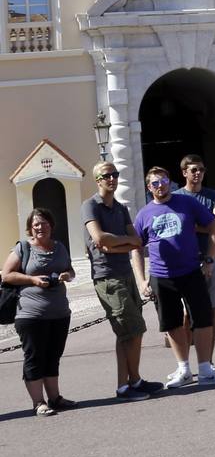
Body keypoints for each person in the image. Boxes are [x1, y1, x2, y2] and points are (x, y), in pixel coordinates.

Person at [132, 167, 215, 387]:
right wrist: (141, 280)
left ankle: (205, 369)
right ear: (149, 188)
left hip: (191, 270)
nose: (161, 186)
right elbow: (136, 247)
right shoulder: (144, 214)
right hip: (161, 275)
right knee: (172, 323)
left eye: (164, 180)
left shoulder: (187, 203)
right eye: (155, 183)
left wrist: (209, 258)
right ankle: (184, 369)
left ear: (170, 182)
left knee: (203, 318)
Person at [82, 161, 161, 401]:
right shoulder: (90, 206)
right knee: (134, 328)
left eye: (115, 174)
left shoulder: (120, 207)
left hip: (125, 273)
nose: (112, 179)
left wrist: (114, 244)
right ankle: (128, 384)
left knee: (125, 333)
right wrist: (120, 242)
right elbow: (98, 238)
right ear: (98, 180)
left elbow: (136, 240)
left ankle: (130, 382)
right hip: (108, 278)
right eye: (107, 175)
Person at [2, 208, 75, 416]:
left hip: (60, 312)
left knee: (53, 356)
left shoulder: (60, 247)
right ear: (30, 228)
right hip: (30, 314)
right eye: (36, 225)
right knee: (35, 357)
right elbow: (7, 275)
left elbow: (70, 269)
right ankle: (38, 402)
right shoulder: (23, 248)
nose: (40, 227)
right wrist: (32, 280)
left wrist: (66, 275)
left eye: (44, 223)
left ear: (51, 225)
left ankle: (55, 398)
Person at [176, 154, 215, 351]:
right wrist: (208, 225)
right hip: (187, 262)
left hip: (214, 258)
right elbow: (178, 227)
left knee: (211, 312)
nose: (198, 173)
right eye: (194, 170)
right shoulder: (177, 197)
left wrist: (194, 226)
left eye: (201, 169)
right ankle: (187, 361)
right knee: (188, 314)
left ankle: (209, 360)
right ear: (184, 173)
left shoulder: (212, 195)